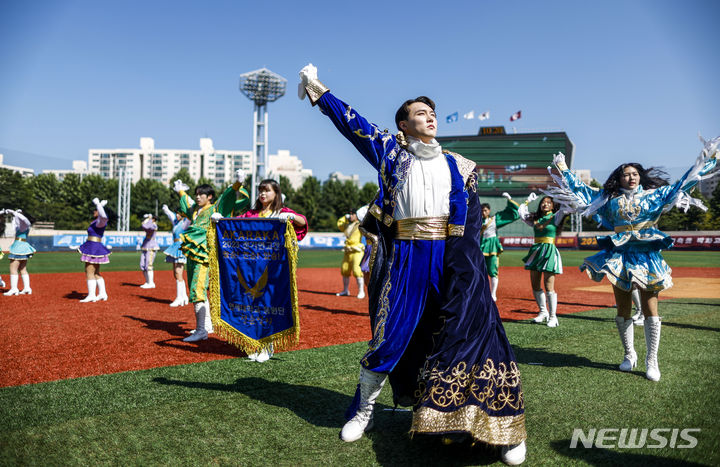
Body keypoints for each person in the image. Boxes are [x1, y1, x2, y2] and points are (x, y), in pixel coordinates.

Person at [299, 64, 526, 464]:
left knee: (471, 331)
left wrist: (469, 266)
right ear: (402, 125)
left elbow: (470, 222)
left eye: (432, 112)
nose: (430, 117)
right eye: (421, 113)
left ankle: (503, 426)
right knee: (391, 334)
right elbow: (351, 123)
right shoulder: (389, 151)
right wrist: (317, 89)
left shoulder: (462, 165)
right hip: (406, 256)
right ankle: (363, 410)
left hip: (454, 258)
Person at [543, 137, 718, 382]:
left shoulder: (655, 196)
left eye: (635, 173)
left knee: (649, 307)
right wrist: (563, 169)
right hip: (619, 256)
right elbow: (581, 191)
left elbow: (684, 183)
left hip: (646, 255)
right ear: (619, 178)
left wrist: (707, 162)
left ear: (640, 176)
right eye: (626, 174)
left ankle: (652, 361)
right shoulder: (607, 199)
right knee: (623, 307)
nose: (631, 177)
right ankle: (629, 354)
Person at [233, 178, 308, 362]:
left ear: (276, 193)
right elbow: (234, 224)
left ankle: (267, 345)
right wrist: (220, 222)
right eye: (260, 190)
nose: (262, 194)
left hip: (274, 270)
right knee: (251, 306)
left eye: (266, 190)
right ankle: (253, 343)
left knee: (268, 306)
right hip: (251, 268)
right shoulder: (251, 213)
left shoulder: (281, 212)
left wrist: (290, 217)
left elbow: (302, 221)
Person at [174, 170, 250, 343]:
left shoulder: (215, 208)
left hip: (206, 256)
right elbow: (186, 204)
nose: (198, 197)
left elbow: (227, 197)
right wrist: (180, 191)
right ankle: (206, 325)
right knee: (198, 289)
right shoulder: (195, 211)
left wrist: (237, 183)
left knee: (198, 289)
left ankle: (202, 330)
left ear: (209, 197)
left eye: (201, 194)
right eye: (197, 194)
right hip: (194, 256)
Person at [518, 196, 565, 327]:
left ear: (552, 206)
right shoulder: (536, 219)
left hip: (549, 250)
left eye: (548, 202)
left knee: (549, 286)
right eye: (543, 202)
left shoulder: (556, 216)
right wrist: (528, 200)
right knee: (535, 284)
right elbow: (521, 213)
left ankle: (553, 317)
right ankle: (543, 312)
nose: (545, 204)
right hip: (536, 251)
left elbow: (568, 208)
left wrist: (564, 196)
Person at [480, 193, 526, 301]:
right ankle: (481, 292)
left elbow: (511, 214)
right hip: (479, 246)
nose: (483, 212)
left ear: (489, 211)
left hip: (491, 247)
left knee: (492, 270)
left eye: (485, 210)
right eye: (481, 210)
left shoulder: (494, 220)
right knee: (479, 270)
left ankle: (493, 293)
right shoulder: (475, 220)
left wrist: (509, 199)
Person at [77, 198, 111, 302]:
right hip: (93, 246)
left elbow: (104, 216)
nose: (94, 211)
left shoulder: (101, 222)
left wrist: (98, 204)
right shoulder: (97, 221)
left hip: (94, 247)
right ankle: (102, 293)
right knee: (96, 272)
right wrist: (100, 205)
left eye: (96, 210)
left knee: (89, 271)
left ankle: (92, 295)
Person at [162, 203, 192, 307]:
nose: (177, 215)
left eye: (179, 214)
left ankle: (180, 298)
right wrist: (166, 209)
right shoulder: (176, 222)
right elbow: (170, 214)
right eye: (176, 214)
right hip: (174, 247)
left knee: (178, 272)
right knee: (175, 274)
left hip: (181, 247)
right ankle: (183, 297)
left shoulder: (185, 222)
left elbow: (191, 214)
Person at [1, 209, 36, 296]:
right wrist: (11, 213)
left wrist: (14, 213)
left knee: (13, 269)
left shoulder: (25, 224)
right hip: (23, 246)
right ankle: (27, 288)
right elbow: (15, 224)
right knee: (22, 269)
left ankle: (14, 289)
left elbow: (24, 219)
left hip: (18, 246)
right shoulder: (23, 226)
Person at [336, 209, 366, 299]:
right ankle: (345, 290)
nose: (351, 215)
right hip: (348, 250)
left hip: (357, 251)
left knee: (357, 271)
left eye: (353, 214)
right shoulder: (347, 225)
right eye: (350, 214)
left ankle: (361, 291)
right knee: (345, 270)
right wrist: (345, 217)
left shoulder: (360, 224)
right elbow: (339, 224)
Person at [138, 213, 160, 289]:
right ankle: (147, 282)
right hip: (145, 245)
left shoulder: (153, 225)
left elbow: (146, 226)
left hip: (151, 246)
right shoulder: (150, 224)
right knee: (142, 265)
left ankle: (151, 283)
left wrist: (149, 219)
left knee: (148, 264)